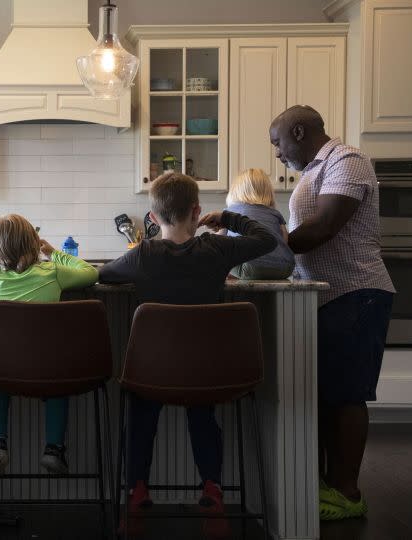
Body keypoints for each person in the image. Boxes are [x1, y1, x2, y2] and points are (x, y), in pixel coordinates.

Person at [97, 172, 276, 538]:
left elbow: (101, 276)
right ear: (196, 212)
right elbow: (266, 239)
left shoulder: (143, 254)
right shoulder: (218, 249)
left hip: (152, 373)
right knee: (202, 410)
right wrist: (226, 218)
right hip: (207, 372)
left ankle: (136, 492)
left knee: (141, 409)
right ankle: (211, 490)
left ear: (152, 217)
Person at [270, 105, 394, 521]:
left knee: (346, 397)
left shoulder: (348, 161)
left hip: (357, 293)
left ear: (299, 132)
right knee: (328, 395)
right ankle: (330, 486)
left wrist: (266, 241)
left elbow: (322, 228)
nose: (277, 154)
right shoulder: (312, 172)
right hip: (330, 297)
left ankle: (347, 492)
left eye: (278, 143)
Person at [0, 214, 98, 476]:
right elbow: (91, 273)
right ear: (33, 245)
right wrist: (54, 253)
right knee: (58, 382)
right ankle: (53, 449)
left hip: (5, 370)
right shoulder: (53, 272)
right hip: (50, 369)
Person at [224, 168, 295, 280]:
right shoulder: (275, 213)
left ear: (234, 191)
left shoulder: (230, 212)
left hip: (250, 267)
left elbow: (219, 241)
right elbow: (284, 240)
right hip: (285, 268)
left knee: (222, 256)